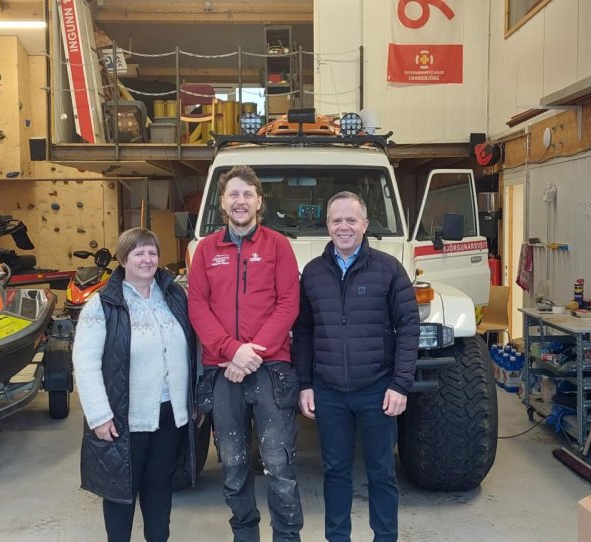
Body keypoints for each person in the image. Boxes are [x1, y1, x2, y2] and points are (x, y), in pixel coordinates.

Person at [292, 191, 419, 542]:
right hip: (329, 391)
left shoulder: (389, 269)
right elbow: (303, 331)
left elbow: (409, 326)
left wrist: (400, 384)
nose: (343, 227)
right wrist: (305, 383)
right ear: (327, 226)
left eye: (351, 220)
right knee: (335, 472)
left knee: (381, 472)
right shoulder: (313, 274)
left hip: (377, 389)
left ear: (364, 224)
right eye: (337, 220)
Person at [188, 165, 303, 542]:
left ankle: (287, 537)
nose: (241, 201)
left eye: (248, 194)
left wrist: (252, 353)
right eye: (233, 194)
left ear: (259, 202)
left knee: (279, 465)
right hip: (223, 370)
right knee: (234, 466)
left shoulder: (278, 246)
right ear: (222, 203)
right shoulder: (206, 250)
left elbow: (288, 304)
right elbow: (198, 307)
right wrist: (232, 351)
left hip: (271, 370)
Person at [73, 227, 199, 542]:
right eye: (138, 253)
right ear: (123, 259)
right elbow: (85, 363)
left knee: (160, 486)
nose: (147, 259)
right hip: (123, 419)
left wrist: (193, 401)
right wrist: (99, 416)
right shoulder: (103, 304)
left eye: (152, 252)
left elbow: (193, 349)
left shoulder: (174, 297)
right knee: (121, 493)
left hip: (170, 414)